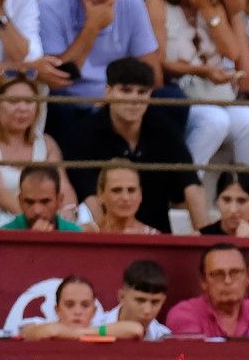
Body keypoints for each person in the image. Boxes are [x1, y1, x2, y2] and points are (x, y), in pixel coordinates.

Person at [63, 57, 207, 232]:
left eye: (141, 92)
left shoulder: (165, 131)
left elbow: (191, 185)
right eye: (126, 90)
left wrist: (206, 239)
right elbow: (90, 196)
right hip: (108, 237)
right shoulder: (85, 133)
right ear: (108, 92)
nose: (134, 99)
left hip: (157, 238)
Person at [146, 0, 249, 168]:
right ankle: (184, 188)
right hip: (182, 96)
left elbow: (232, 52)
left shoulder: (212, 4)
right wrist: (201, 70)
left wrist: (205, 8)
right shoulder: (157, 4)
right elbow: (159, 61)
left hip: (217, 95)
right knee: (215, 121)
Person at [38, 0, 162, 126]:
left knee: (172, 100)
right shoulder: (52, 4)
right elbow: (58, 80)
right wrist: (92, 27)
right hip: (73, 101)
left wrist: (118, 99)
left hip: (121, 99)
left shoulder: (132, 2)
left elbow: (153, 75)